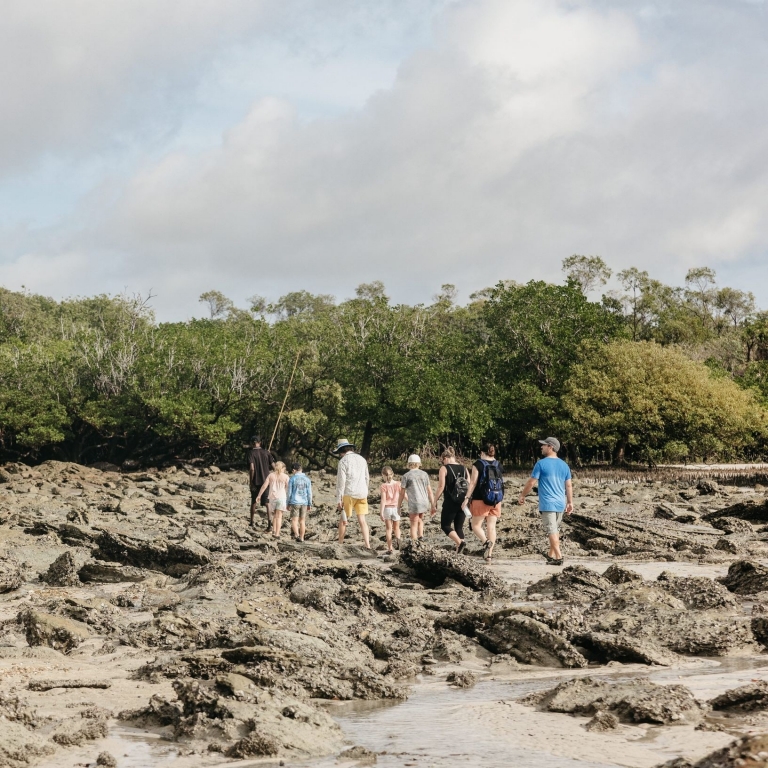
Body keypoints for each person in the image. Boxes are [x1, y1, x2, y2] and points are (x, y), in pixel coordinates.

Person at [518, 437, 573, 566]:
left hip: (548, 503)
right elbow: (569, 485)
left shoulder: (541, 464)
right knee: (555, 530)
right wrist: (570, 502)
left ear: (551, 447)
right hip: (560, 503)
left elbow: (532, 482)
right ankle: (550, 556)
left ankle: (558, 557)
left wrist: (522, 495)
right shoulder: (564, 465)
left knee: (552, 530)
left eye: (543, 445)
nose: (541, 447)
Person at [462, 443, 503, 561]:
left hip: (480, 499)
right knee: (492, 527)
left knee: (475, 526)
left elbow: (473, 483)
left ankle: (486, 542)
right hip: (496, 500)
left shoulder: (478, 464)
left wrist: (466, 498)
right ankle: (489, 555)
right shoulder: (498, 464)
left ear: (482, 452)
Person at [334, 439, 372, 549]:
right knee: (362, 520)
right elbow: (367, 477)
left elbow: (341, 482)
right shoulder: (362, 459)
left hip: (349, 492)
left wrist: (339, 499)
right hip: (362, 492)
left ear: (341, 451)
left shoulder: (343, 461)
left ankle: (340, 544)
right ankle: (367, 545)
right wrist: (366, 490)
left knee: (343, 520)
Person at [434, 447, 468, 554]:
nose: (442, 462)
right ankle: (460, 553)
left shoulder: (444, 469)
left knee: (445, 525)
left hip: (450, 501)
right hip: (463, 501)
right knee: (459, 528)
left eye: (442, 460)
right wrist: (467, 500)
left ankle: (459, 542)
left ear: (445, 458)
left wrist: (434, 501)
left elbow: (441, 487)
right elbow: (469, 485)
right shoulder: (464, 468)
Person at [399, 454, 434, 541]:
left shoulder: (406, 476)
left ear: (409, 464)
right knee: (420, 519)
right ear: (419, 463)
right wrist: (433, 504)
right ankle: (421, 536)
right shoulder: (424, 474)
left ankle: (414, 543)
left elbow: (402, 493)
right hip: (424, 501)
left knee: (413, 524)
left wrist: (398, 506)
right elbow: (429, 491)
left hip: (414, 502)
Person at [247, 435, 275, 530]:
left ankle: (252, 522)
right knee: (267, 503)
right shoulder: (266, 452)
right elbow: (274, 467)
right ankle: (269, 524)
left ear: (252, 443)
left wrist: (251, 482)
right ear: (260, 442)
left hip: (256, 481)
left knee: (254, 501)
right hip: (266, 481)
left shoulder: (251, 453)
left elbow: (252, 469)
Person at [257, 460, 289, 538]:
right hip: (281, 497)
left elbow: (264, 486)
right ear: (282, 468)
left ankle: (274, 530)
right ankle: (277, 533)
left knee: (275, 515)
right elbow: (288, 488)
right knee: (279, 516)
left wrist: (259, 495)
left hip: (272, 498)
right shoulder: (285, 476)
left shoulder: (271, 475)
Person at [287, 462, 313, 542]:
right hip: (304, 502)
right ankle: (302, 538)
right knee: (302, 521)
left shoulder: (292, 479)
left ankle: (297, 535)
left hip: (295, 501)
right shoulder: (307, 479)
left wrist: (288, 503)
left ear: (294, 470)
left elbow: (289, 493)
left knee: (294, 520)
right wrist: (310, 503)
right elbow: (310, 493)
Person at [379, 466, 402, 554]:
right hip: (396, 508)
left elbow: (383, 500)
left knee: (388, 529)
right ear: (393, 474)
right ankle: (399, 545)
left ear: (383, 475)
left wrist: (381, 512)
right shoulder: (398, 484)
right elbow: (403, 495)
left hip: (387, 509)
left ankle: (390, 548)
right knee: (397, 528)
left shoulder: (383, 486)